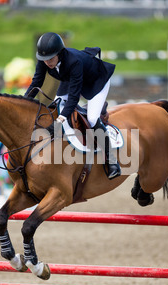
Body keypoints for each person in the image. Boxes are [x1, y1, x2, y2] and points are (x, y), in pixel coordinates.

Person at [25, 32, 121, 180]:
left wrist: (60, 121)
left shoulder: (73, 62)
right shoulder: (44, 60)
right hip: (71, 79)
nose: (47, 62)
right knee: (55, 107)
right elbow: (36, 82)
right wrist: (23, 102)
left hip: (96, 81)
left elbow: (74, 97)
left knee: (92, 118)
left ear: (60, 53)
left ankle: (112, 160)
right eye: (44, 59)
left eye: (50, 58)